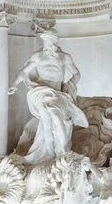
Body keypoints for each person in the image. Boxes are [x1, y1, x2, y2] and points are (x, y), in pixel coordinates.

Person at [9, 29, 88, 164]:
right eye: (46, 39)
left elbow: (76, 74)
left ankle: (63, 151)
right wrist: (14, 84)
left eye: (50, 39)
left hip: (57, 93)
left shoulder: (64, 57)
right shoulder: (38, 56)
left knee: (56, 116)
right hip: (41, 92)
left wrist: (68, 87)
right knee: (46, 119)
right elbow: (24, 72)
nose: (48, 42)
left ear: (55, 40)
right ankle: (49, 152)